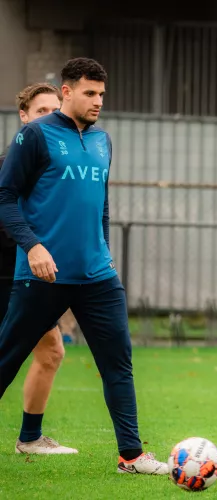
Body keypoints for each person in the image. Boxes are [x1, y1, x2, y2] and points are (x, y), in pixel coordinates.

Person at [0, 57, 168, 475]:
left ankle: (131, 455)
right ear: (66, 92)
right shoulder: (34, 136)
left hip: (97, 276)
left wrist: (104, 249)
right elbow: (5, 199)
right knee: (6, 358)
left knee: (118, 363)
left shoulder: (102, 141)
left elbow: (101, 205)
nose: (97, 102)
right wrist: (33, 247)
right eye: (90, 93)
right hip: (43, 276)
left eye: (101, 95)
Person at [0, 82, 78, 455]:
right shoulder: (9, 164)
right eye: (41, 111)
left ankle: (30, 437)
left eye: (55, 110)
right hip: (11, 275)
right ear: (25, 116)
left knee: (51, 351)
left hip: (31, 278)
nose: (50, 117)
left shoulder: (60, 166)